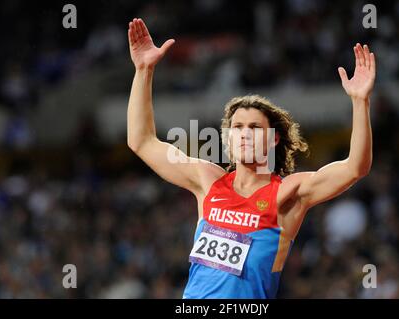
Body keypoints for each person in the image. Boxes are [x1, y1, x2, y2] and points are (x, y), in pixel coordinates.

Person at [126, 17, 375, 298]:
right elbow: (142, 141)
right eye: (238, 127)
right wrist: (144, 69)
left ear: (274, 138)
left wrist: (360, 101)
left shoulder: (287, 193)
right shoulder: (207, 180)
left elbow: (356, 167)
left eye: (255, 127)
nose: (244, 134)